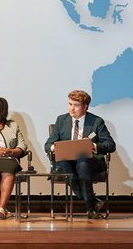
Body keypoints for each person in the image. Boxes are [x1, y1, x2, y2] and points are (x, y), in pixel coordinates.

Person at [45, 90, 116, 219]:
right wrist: (53, 147)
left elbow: (110, 145)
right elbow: (47, 145)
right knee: (62, 164)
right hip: (67, 161)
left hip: (90, 161)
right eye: (70, 104)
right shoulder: (61, 120)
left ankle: (90, 209)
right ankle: (92, 203)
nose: (71, 108)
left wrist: (94, 146)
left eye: (76, 105)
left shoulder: (96, 122)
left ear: (85, 107)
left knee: (82, 163)